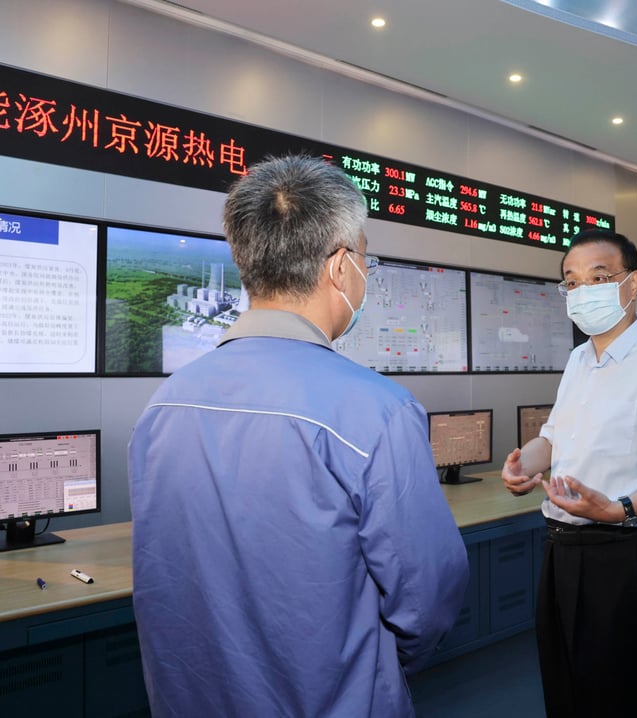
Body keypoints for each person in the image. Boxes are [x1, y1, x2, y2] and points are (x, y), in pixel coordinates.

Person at [128, 155, 469, 717]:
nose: (365, 269)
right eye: (365, 256)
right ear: (340, 267)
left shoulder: (164, 404)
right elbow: (426, 597)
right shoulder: (376, 411)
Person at [501, 228, 637, 717]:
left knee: (622, 697)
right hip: (562, 550)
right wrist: (525, 463)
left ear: (632, 283)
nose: (583, 291)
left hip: (625, 555)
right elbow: (554, 439)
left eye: (598, 277)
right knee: (566, 691)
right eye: (572, 282)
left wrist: (619, 508)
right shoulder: (579, 359)